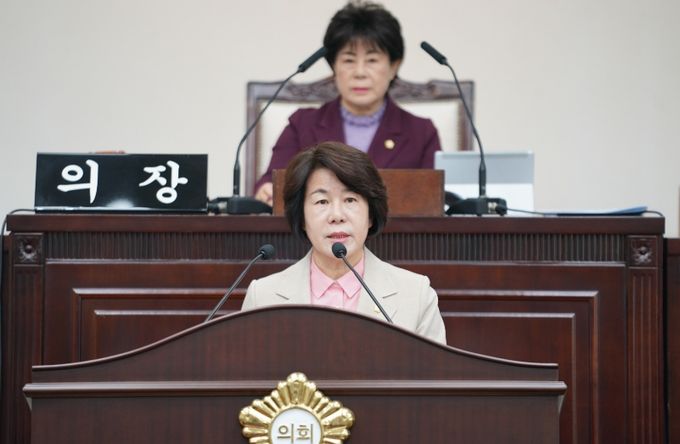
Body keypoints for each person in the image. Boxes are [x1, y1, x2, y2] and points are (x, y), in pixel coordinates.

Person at [242, 142, 447, 344]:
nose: (337, 216)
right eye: (322, 202)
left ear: (370, 215)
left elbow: (434, 368)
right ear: (302, 217)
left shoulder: (416, 295)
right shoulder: (263, 297)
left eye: (350, 200)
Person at [254, 1, 441, 205]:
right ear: (334, 66)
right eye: (349, 60)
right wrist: (267, 191)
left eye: (372, 60)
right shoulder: (302, 125)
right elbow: (272, 183)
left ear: (393, 67)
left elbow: (434, 202)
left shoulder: (422, 133)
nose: (359, 73)